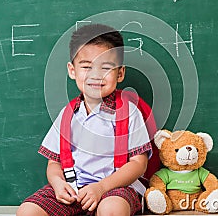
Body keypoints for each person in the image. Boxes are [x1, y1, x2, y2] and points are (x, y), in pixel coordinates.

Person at [17, 24, 152, 216]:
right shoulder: (68, 115)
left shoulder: (128, 112)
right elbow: (54, 163)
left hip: (115, 188)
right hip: (74, 189)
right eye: (87, 67)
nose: (96, 75)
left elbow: (139, 164)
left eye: (106, 67)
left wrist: (101, 188)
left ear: (120, 73)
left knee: (112, 209)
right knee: (27, 211)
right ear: (72, 71)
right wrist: (58, 184)